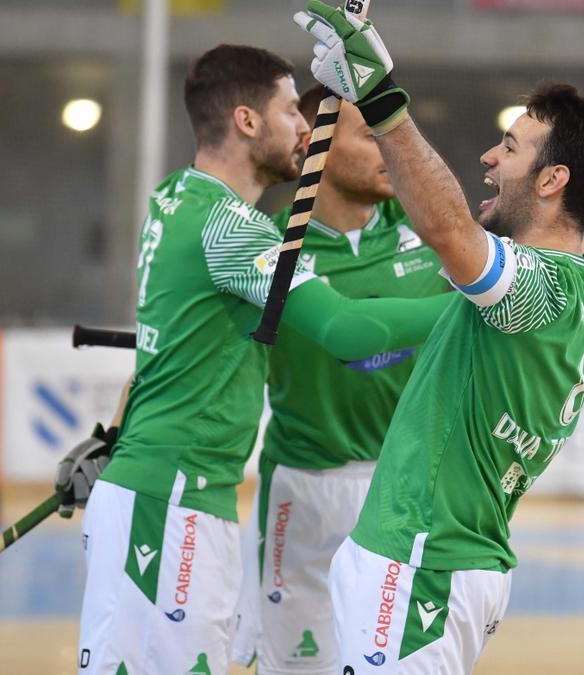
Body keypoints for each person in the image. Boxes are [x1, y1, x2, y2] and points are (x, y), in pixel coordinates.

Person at [294, 5, 584, 672]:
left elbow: (450, 234)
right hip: (456, 564)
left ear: (552, 180)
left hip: (421, 562)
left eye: (511, 148)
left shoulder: (536, 286)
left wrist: (382, 98)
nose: (489, 157)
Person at [66, 44, 452, 675]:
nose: (305, 128)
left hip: (158, 489)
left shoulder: (174, 199)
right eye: (288, 112)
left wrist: (114, 436)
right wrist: (483, 303)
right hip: (177, 500)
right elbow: (350, 331)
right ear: (247, 122)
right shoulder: (233, 230)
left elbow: (165, 346)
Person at [230, 86, 450, 674]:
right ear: (316, 149)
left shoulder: (437, 236)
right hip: (299, 493)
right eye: (370, 136)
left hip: (402, 493)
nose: (391, 150)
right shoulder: (266, 248)